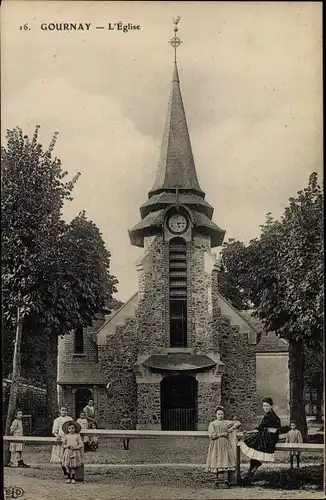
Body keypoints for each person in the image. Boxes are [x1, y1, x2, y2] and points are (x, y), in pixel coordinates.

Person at [240, 397, 281, 482]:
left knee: (251, 443)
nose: (265, 407)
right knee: (253, 446)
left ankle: (251, 471)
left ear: (271, 406)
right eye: (264, 406)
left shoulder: (270, 416)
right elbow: (261, 428)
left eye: (267, 406)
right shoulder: (271, 414)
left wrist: (250, 432)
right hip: (269, 437)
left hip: (270, 439)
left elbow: (263, 428)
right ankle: (251, 470)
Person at [206, 406, 241, 488]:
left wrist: (232, 428)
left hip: (225, 444)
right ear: (216, 415)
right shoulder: (213, 424)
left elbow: (238, 423)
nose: (220, 416)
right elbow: (211, 435)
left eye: (222, 414)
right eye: (218, 414)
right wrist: (221, 434)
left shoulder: (226, 422)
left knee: (225, 459)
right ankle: (217, 480)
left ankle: (225, 480)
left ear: (224, 415)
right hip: (216, 444)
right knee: (216, 459)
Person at [50, 406, 73, 479]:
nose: (64, 412)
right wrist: (57, 435)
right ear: (60, 411)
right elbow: (54, 430)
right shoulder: (57, 420)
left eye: (65, 410)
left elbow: (73, 428)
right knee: (61, 455)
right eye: (62, 410)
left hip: (68, 438)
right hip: (61, 437)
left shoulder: (70, 419)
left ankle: (70, 471)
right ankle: (64, 470)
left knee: (68, 455)